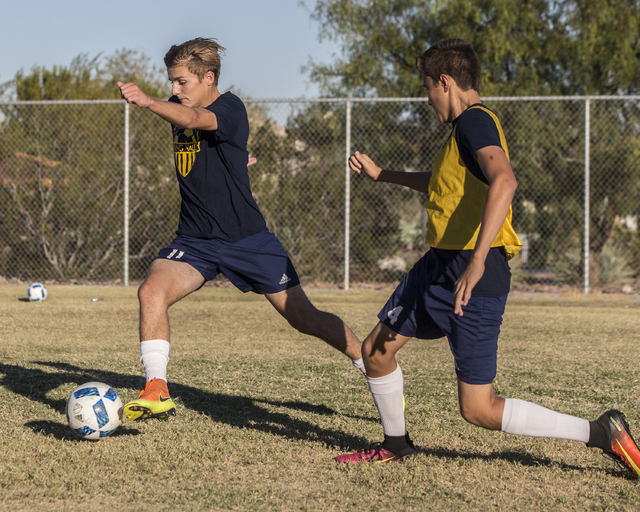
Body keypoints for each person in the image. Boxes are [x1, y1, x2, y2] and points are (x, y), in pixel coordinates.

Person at [334, 38, 640, 479]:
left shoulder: (474, 123)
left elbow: (505, 181)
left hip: (472, 274)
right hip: (436, 267)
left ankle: (600, 432)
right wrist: (384, 175)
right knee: (376, 352)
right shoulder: (461, 132)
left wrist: (477, 261)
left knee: (478, 409)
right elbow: (443, 186)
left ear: (446, 82)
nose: (428, 100)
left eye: (428, 88)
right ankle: (395, 445)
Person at [117, 37, 364, 421]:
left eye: (181, 81)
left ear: (208, 77)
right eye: (170, 82)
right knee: (151, 291)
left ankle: (369, 361)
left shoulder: (229, 107)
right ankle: (156, 389)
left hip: (246, 240)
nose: (174, 89)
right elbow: (206, 148)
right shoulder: (181, 108)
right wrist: (232, 161)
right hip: (195, 240)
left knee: (304, 318)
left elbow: (201, 122)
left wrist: (149, 101)